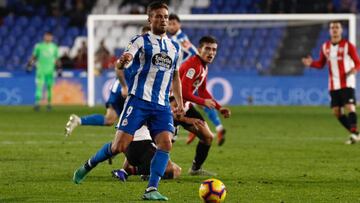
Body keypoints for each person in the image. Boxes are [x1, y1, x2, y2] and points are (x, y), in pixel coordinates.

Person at [72, 2, 184, 201]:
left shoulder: (175, 48)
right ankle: (87, 166)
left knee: (165, 143)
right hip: (138, 101)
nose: (163, 20)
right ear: (150, 19)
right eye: (158, 16)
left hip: (161, 105)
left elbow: (175, 77)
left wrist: (180, 103)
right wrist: (122, 61)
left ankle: (151, 189)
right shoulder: (140, 41)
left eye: (166, 16)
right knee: (119, 146)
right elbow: (123, 61)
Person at [65, 26, 151, 136]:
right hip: (124, 87)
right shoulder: (136, 50)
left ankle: (79, 120)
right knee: (143, 117)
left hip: (125, 87)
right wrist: (124, 86)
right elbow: (118, 67)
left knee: (109, 119)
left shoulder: (150, 51)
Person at [167, 13, 227, 146]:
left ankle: (215, 127)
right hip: (180, 82)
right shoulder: (174, 38)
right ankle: (217, 127)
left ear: (179, 24)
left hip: (186, 75)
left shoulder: (180, 38)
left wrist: (185, 68)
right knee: (196, 102)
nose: (171, 26)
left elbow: (192, 53)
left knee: (198, 102)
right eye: (169, 24)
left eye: (173, 23)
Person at [179, 36, 231, 174]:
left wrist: (220, 108)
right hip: (170, 107)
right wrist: (203, 102)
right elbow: (183, 92)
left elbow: (202, 91)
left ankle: (195, 169)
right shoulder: (193, 65)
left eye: (214, 50)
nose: (211, 53)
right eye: (207, 49)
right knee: (162, 142)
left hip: (185, 108)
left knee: (207, 137)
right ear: (199, 49)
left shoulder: (203, 67)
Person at [302, 21, 360, 144]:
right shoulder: (325, 47)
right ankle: (356, 133)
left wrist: (354, 70)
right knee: (336, 112)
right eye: (332, 27)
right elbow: (321, 64)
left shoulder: (348, 46)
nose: (334, 29)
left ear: (341, 30)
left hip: (347, 82)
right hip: (333, 84)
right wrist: (311, 63)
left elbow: (358, 62)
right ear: (329, 31)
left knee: (350, 107)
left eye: (337, 27)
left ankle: (354, 134)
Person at [111, 125, 182, 182]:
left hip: (129, 150)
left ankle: (125, 170)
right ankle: (149, 180)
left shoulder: (130, 112)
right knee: (176, 170)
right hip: (145, 147)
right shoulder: (159, 113)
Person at [27, 32, 60, 111]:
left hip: (50, 71)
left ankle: (49, 104)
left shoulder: (54, 47)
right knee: (39, 87)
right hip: (40, 70)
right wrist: (29, 64)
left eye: (49, 36)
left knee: (49, 88)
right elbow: (34, 56)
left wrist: (59, 68)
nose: (48, 38)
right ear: (44, 37)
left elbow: (57, 59)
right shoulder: (39, 46)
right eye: (47, 36)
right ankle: (37, 104)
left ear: (52, 37)